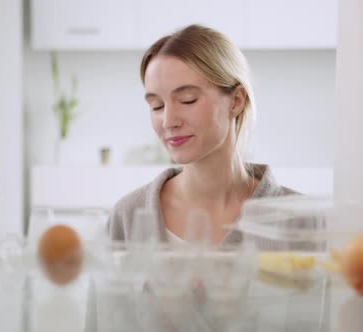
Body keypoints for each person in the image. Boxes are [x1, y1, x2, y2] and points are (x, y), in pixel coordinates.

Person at [106, 24, 296, 245]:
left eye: (188, 100)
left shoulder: (298, 220)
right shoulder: (127, 216)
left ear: (236, 101)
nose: (168, 121)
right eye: (157, 106)